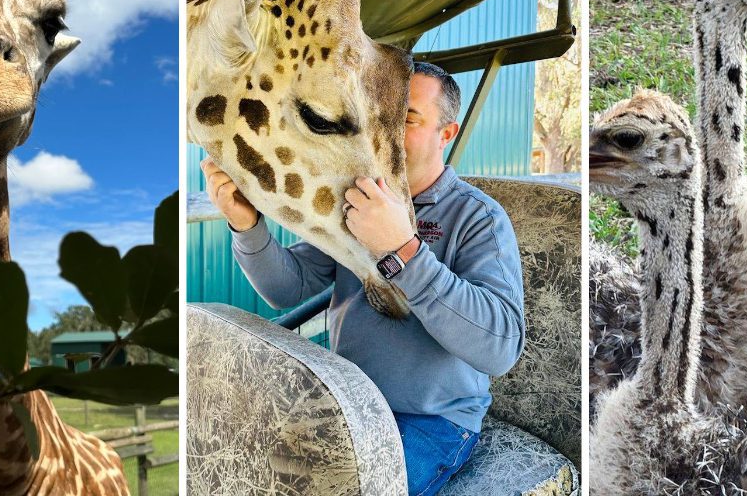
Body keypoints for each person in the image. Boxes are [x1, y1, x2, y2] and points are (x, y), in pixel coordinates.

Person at [201, 61, 525, 495]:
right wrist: (247, 226)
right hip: (344, 405)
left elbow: (500, 348)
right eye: (380, 114)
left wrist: (402, 248)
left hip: (432, 421)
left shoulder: (479, 218)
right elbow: (285, 289)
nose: (386, 131)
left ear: (446, 134)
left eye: (408, 118)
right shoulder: (352, 201)